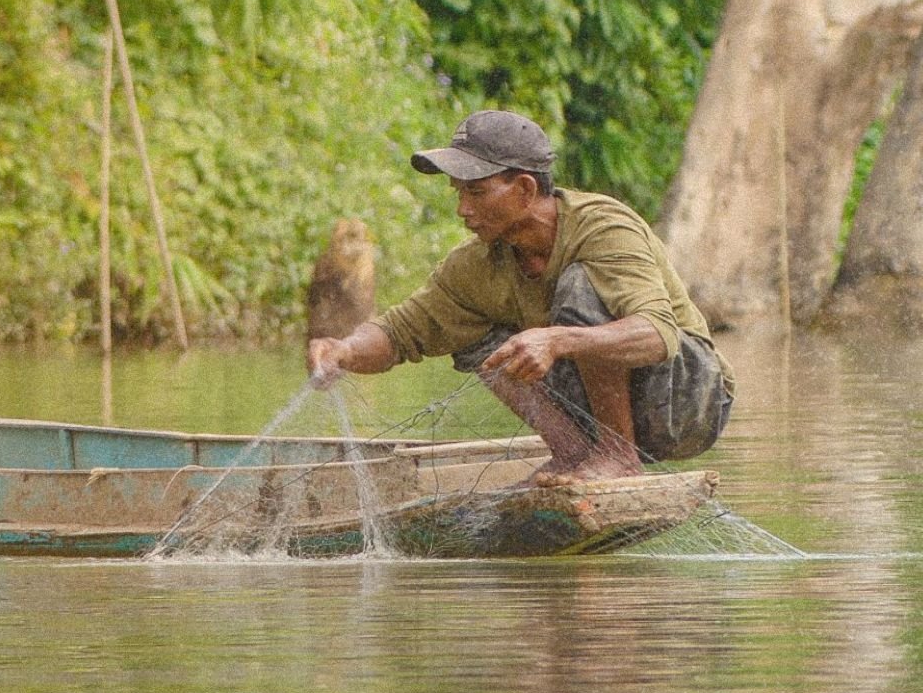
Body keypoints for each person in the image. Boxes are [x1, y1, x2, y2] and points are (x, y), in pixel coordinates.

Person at [307, 110, 733, 483]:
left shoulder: (603, 228)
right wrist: (343, 351)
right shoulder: (476, 266)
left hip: (690, 397)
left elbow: (658, 335)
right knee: (474, 339)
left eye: (476, 192)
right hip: (607, 410)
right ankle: (571, 455)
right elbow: (402, 332)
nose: (462, 210)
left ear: (525, 190)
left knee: (579, 287)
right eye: (459, 192)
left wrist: (556, 340)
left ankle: (617, 457)